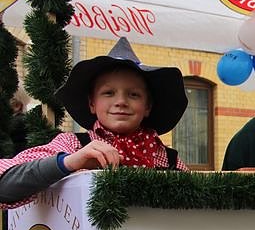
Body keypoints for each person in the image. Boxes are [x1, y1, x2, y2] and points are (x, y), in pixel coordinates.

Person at [0, 37, 188, 207]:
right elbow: (4, 185)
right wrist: (69, 162)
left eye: (134, 94)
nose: (121, 101)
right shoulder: (71, 145)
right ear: (92, 103)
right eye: (108, 93)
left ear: (147, 106)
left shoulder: (169, 160)